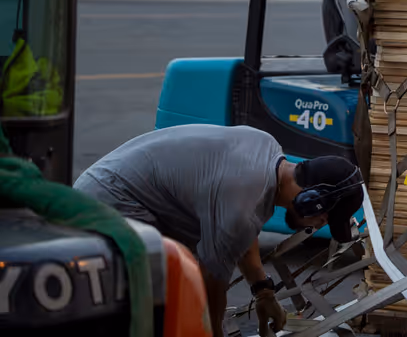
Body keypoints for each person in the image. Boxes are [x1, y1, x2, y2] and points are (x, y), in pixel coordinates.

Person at [74, 124, 365, 337]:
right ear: (313, 202)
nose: (318, 225)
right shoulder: (241, 205)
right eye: (324, 220)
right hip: (110, 199)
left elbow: (243, 233)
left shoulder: (265, 150)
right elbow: (211, 283)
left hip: (113, 185)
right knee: (165, 299)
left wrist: (263, 291)